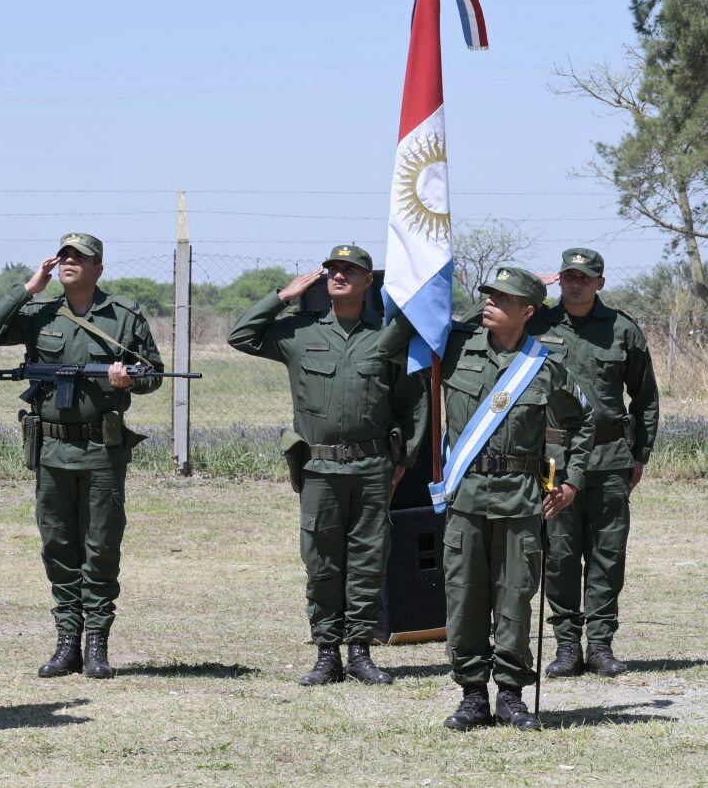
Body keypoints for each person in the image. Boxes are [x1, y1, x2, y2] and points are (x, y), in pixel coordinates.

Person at [381, 266, 592, 731]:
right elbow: (388, 346)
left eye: (503, 297)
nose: (491, 302)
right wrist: (422, 296)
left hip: (520, 502)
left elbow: (582, 421)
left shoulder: (545, 364)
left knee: (515, 598)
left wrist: (570, 479)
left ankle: (511, 695)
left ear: (529, 311)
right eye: (488, 295)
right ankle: (473, 694)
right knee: (465, 598)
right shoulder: (453, 347)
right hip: (467, 499)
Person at [227, 245, 427, 686]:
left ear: (367, 280)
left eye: (350, 270)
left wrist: (404, 460)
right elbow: (240, 336)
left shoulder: (387, 336)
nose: (339, 276)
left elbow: (414, 403)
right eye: (332, 270)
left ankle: (359, 651)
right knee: (321, 563)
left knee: (369, 560)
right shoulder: (298, 333)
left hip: (373, 466)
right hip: (320, 469)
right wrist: (283, 295)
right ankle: (326, 653)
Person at [0, 232, 162, 680]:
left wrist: (128, 381)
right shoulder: (39, 313)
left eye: (81, 257)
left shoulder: (123, 316)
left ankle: (96, 643)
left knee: (100, 546)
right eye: (65, 257)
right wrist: (28, 288)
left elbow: (153, 374)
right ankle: (66, 642)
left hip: (101, 448)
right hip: (52, 448)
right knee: (58, 544)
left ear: (99, 267)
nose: (70, 262)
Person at [530, 248, 659, 679]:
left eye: (584, 277)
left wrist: (639, 454)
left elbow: (645, 398)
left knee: (607, 552)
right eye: (568, 275)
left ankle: (601, 643)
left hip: (608, 457)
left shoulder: (622, 330)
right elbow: (482, 327)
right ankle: (567, 644)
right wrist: (532, 289)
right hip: (555, 457)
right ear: (558, 279)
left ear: (600, 282)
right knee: (560, 553)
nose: (575, 283)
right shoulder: (537, 325)